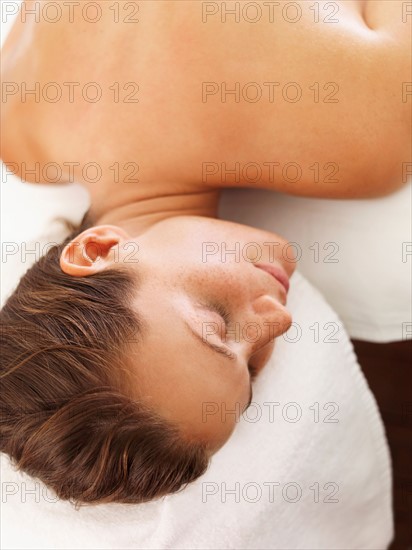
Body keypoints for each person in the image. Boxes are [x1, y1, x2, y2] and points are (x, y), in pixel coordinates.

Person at [0, 0, 410, 509]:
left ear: (98, 250)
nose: (277, 322)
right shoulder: (18, 132)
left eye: (215, 327)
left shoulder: (362, 133)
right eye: (251, 374)